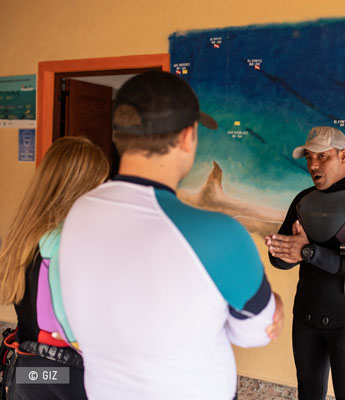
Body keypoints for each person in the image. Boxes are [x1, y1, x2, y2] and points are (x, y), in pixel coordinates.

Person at [55, 71, 284, 400]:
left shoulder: (79, 213)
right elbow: (256, 333)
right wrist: (274, 302)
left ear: (120, 134)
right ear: (187, 137)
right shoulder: (218, 235)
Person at [265, 126, 345, 400]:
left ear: (343, 156)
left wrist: (309, 252)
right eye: (309, 157)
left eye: (322, 157)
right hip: (305, 318)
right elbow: (281, 258)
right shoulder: (303, 200)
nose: (312, 165)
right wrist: (284, 253)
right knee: (308, 396)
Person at [0, 136, 110, 400]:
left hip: (28, 367)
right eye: (99, 183)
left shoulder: (28, 233)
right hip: (61, 370)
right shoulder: (64, 239)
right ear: (80, 186)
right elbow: (69, 324)